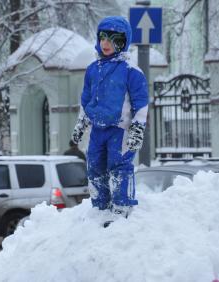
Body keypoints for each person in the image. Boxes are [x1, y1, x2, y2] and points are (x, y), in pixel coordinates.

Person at [71, 16, 148, 224]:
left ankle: (121, 206)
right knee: (95, 166)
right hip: (98, 129)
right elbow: (86, 100)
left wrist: (137, 129)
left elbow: (141, 104)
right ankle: (100, 206)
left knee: (119, 166)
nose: (106, 44)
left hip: (120, 129)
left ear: (123, 42)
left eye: (113, 39)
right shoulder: (92, 69)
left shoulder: (131, 71)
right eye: (103, 37)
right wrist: (82, 122)